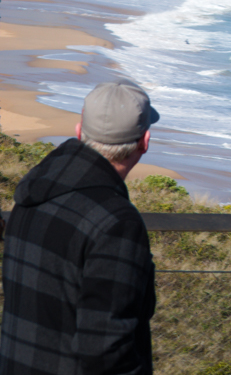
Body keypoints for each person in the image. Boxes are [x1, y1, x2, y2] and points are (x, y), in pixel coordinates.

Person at [0, 79, 160, 375]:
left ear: (79, 131)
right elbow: (107, 351)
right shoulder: (116, 222)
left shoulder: (29, 197)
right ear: (144, 141)